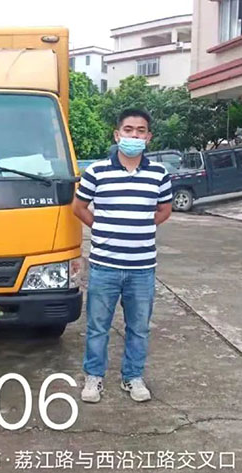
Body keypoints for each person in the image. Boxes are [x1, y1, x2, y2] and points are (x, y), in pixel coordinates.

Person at [72, 109, 172, 403]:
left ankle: (133, 377)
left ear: (148, 137)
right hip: (105, 266)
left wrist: (140, 227)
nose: (134, 136)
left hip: (142, 268)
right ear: (117, 135)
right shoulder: (97, 172)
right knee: (97, 327)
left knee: (139, 328)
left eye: (141, 131)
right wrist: (102, 228)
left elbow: (164, 210)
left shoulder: (159, 174)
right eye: (128, 130)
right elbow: (78, 207)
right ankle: (94, 378)